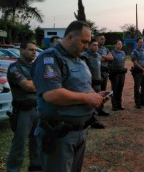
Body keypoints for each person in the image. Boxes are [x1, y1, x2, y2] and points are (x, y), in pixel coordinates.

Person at [31, 21, 109, 172]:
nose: (86, 46)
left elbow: (83, 87)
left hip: (80, 131)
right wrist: (88, 99)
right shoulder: (50, 58)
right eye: (84, 42)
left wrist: (96, 96)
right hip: (59, 134)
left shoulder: (78, 59)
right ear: (70, 37)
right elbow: (52, 94)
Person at [6, 41, 41, 172]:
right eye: (31, 49)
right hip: (23, 111)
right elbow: (27, 86)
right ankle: (13, 169)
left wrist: (34, 84)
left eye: (35, 50)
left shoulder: (36, 67)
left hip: (37, 108)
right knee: (19, 144)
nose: (34, 52)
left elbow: (34, 84)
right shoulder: (14, 67)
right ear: (21, 51)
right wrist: (41, 84)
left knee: (37, 141)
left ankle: (36, 167)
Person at [82, 39, 107, 129]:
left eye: (97, 45)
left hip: (98, 82)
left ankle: (95, 118)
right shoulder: (85, 56)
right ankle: (92, 120)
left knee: (97, 101)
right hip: (90, 83)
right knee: (90, 102)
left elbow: (99, 67)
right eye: (93, 45)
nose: (96, 47)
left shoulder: (98, 56)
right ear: (88, 46)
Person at [131, 38, 144, 108]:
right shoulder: (134, 51)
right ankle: (137, 102)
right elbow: (135, 62)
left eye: (142, 42)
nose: (141, 43)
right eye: (140, 42)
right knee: (137, 87)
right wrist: (143, 69)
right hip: (138, 72)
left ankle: (143, 100)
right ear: (137, 43)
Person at [109, 40, 127, 111]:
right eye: (118, 44)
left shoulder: (123, 53)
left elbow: (123, 62)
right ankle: (114, 105)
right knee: (114, 90)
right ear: (115, 45)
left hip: (122, 74)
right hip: (114, 74)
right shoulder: (111, 53)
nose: (120, 45)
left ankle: (119, 104)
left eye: (121, 44)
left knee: (120, 89)